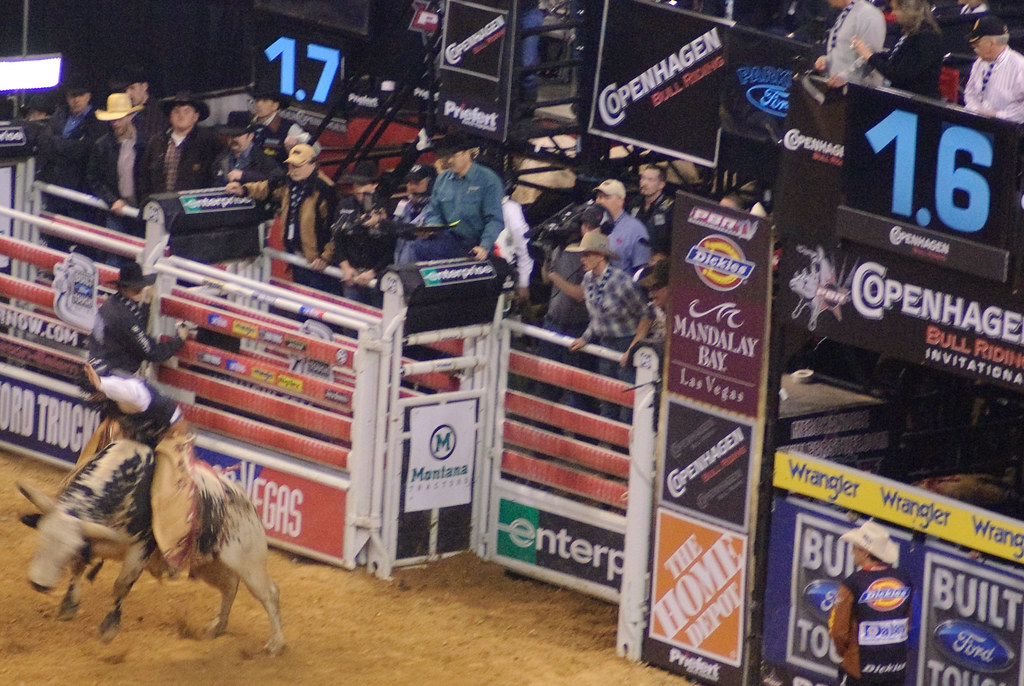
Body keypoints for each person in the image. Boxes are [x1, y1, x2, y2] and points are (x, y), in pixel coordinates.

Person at [226, 143, 338, 293]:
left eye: (297, 166)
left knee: (321, 304)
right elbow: (266, 188)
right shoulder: (287, 182)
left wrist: (325, 257)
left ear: (313, 165)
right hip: (296, 257)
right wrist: (244, 189)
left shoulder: (326, 190)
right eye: (291, 165)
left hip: (318, 263)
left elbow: (335, 228)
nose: (292, 170)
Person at [568, 231, 652, 422]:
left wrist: (633, 347)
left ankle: (622, 449)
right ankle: (610, 446)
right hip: (605, 344)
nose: (582, 259)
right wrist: (585, 338)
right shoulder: (588, 279)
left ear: (600, 256)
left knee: (626, 405)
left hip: (626, 343)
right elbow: (597, 316)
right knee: (607, 401)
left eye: (586, 254)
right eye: (582, 254)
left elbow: (646, 316)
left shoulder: (621, 282)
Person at [535, 204, 605, 411]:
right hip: (553, 323)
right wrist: (546, 258)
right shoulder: (560, 248)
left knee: (580, 393)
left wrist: (554, 275)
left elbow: (578, 294)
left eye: (591, 226)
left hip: (577, 327)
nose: (586, 229)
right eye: (584, 224)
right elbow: (544, 280)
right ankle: (545, 435)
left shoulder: (597, 253)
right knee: (547, 387)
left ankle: (585, 440)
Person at [829, 520, 913, 686]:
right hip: (896, 670)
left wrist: (847, 656)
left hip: (860, 671)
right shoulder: (905, 580)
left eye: (856, 547)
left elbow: (838, 631)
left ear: (866, 552)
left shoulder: (852, 584)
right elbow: (911, 625)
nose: (852, 552)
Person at [87, 261, 190, 377]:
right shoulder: (125, 316)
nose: (141, 293)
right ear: (124, 288)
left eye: (141, 289)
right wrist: (179, 339)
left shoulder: (111, 303)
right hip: (112, 375)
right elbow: (152, 352)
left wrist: (146, 304)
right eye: (137, 290)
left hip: (99, 367)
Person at [416, 132, 505, 262]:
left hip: (475, 242)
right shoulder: (442, 179)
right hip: (449, 239)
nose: (450, 161)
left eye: (454, 156)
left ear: (467, 153)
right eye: (448, 156)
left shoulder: (488, 180)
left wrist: (484, 246)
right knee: (420, 247)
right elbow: (434, 211)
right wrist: (431, 229)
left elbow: (494, 220)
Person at [40, 79, 106, 220]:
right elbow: (44, 141)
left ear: (88, 96)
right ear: (67, 97)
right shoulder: (60, 114)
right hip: (55, 188)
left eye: (80, 95)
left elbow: (82, 151)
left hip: (81, 191)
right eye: (72, 96)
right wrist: (70, 144)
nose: (76, 100)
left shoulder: (97, 119)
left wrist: (57, 143)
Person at [331, 160, 394, 306]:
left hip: (379, 278)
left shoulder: (387, 206)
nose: (358, 189)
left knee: (379, 322)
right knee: (351, 321)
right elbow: (338, 239)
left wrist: (374, 272)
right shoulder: (344, 205)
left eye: (363, 184)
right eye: (356, 184)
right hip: (352, 276)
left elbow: (392, 247)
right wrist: (345, 267)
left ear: (374, 184)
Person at [138, 92, 223, 200]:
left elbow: (215, 176)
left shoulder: (208, 141)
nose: (181, 115)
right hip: (161, 205)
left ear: (195, 116)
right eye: (176, 111)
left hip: (194, 207)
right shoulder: (156, 142)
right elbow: (144, 177)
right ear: (170, 116)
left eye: (186, 111)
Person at [851, 0, 943, 98]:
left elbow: (899, 75)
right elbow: (894, 57)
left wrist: (869, 56)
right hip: (901, 97)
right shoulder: (907, 32)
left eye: (896, 9)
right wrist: (870, 54)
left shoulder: (927, 38)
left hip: (917, 103)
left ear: (908, 11)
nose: (893, 13)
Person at [87, 93, 146, 236]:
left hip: (142, 209)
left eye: (118, 119)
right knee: (115, 255)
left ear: (130, 117)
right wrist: (113, 200)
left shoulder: (146, 142)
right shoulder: (102, 145)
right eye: (112, 120)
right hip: (117, 209)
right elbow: (93, 179)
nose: (115, 123)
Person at [963, 16, 1024, 123]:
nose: (974, 48)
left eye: (977, 44)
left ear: (991, 43)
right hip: (977, 123)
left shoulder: (1019, 66)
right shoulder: (979, 63)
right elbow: (970, 92)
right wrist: (976, 111)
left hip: (1009, 131)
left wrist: (997, 116)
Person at [813, 0, 886, 88]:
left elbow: (872, 58)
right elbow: (843, 50)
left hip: (859, 93)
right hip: (838, 91)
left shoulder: (870, 15)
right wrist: (827, 61)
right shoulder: (847, 12)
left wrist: (845, 77)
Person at [594, 179, 650, 274]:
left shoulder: (635, 229)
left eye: (606, 197)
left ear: (620, 200)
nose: (599, 201)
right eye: (599, 197)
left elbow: (641, 271)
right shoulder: (596, 224)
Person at [213, 111, 283, 187]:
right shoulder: (221, 158)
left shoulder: (263, 158)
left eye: (238, 135)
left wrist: (245, 176)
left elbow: (278, 179)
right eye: (231, 135)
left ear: (250, 136)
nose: (233, 139)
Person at [109, 65, 166, 145]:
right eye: (125, 90)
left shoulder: (157, 112)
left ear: (144, 86)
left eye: (132, 88)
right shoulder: (123, 112)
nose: (128, 94)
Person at [628, 165, 673, 262]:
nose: (644, 183)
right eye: (643, 178)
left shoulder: (670, 209)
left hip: (655, 259)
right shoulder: (635, 202)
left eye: (650, 180)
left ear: (661, 184)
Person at [249, 89, 307, 164]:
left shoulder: (289, 127)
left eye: (265, 100)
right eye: (257, 100)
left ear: (275, 106)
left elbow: (315, 149)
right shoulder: (250, 125)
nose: (259, 104)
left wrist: (293, 147)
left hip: (278, 173)